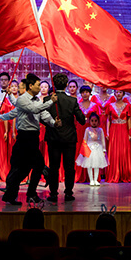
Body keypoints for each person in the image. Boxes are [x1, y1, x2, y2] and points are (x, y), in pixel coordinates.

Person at [0, 73, 59, 205]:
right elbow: (34, 110)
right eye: (38, 85)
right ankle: (29, 193)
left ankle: (13, 194)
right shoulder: (22, 99)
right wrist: (50, 102)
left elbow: (44, 114)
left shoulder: (37, 99)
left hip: (33, 137)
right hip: (25, 138)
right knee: (34, 166)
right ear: (31, 86)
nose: (40, 87)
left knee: (25, 168)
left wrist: (54, 123)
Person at [44, 73, 86, 202]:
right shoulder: (72, 101)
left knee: (54, 167)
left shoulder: (47, 100)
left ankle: (53, 193)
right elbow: (82, 120)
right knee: (69, 168)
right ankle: (68, 193)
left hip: (53, 138)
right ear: (67, 85)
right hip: (69, 139)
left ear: (54, 85)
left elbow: (42, 119)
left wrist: (52, 122)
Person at [105, 90, 131, 183]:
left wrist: (130, 132)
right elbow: (108, 120)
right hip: (113, 130)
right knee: (113, 151)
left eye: (120, 92)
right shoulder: (110, 105)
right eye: (116, 92)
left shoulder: (128, 105)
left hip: (124, 129)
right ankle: (114, 174)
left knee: (123, 151)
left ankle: (125, 174)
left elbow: (129, 120)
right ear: (114, 94)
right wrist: (107, 132)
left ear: (124, 94)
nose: (118, 94)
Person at [77, 85, 101, 183]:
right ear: (81, 94)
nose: (85, 94)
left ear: (90, 93)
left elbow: (98, 120)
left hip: (91, 130)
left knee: (92, 152)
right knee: (81, 150)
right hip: (79, 129)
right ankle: (80, 175)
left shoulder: (95, 105)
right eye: (83, 92)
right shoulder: (77, 105)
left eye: (87, 92)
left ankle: (93, 178)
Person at [77, 112, 107, 186]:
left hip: (98, 149)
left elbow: (103, 140)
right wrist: (84, 151)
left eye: (95, 121)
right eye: (92, 121)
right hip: (89, 149)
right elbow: (85, 140)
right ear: (89, 121)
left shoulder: (100, 130)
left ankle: (96, 180)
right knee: (89, 165)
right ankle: (91, 180)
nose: (94, 122)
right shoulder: (87, 129)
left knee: (97, 165)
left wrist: (103, 150)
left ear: (98, 121)